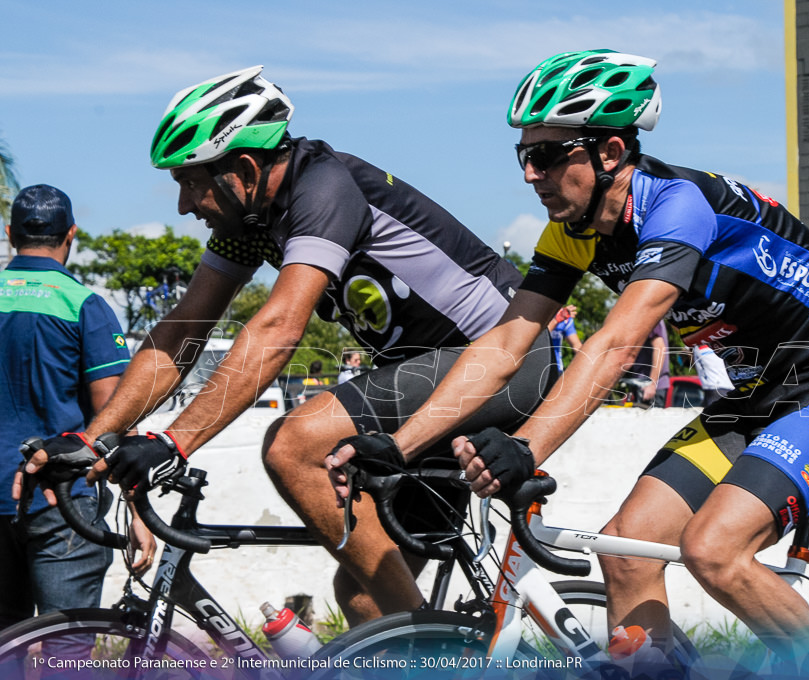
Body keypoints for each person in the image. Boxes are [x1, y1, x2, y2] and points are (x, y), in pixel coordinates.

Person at [329, 50, 809, 671]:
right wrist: (402, 445)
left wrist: (526, 448)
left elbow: (617, 342)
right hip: (757, 393)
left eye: (547, 156)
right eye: (524, 155)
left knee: (713, 551)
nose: (530, 174)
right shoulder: (571, 231)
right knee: (628, 552)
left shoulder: (677, 206)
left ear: (608, 153)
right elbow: (503, 345)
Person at [22, 66, 555, 627]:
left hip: (500, 359)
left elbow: (278, 329)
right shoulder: (252, 217)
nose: (182, 204)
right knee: (364, 598)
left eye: (189, 180)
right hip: (431, 380)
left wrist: (174, 443)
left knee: (293, 443)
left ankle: (436, 651)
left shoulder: (323, 187)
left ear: (245, 170)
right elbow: (184, 329)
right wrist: (91, 438)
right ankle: (434, 651)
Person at [2, 185, 155, 641]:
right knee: (64, 647)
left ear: (10, 235)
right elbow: (114, 416)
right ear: (71, 234)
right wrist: (137, 513)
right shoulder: (85, 306)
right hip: (63, 501)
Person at [624, 320, 670, 407]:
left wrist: (651, 384)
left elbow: (660, 348)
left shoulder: (650, 317)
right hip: (642, 385)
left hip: (650, 388)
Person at [547, 304, 583, 372]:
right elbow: (540, 337)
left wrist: (591, 357)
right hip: (537, 365)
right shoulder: (537, 315)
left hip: (556, 367)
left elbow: (576, 345)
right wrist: (556, 320)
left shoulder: (565, 319)